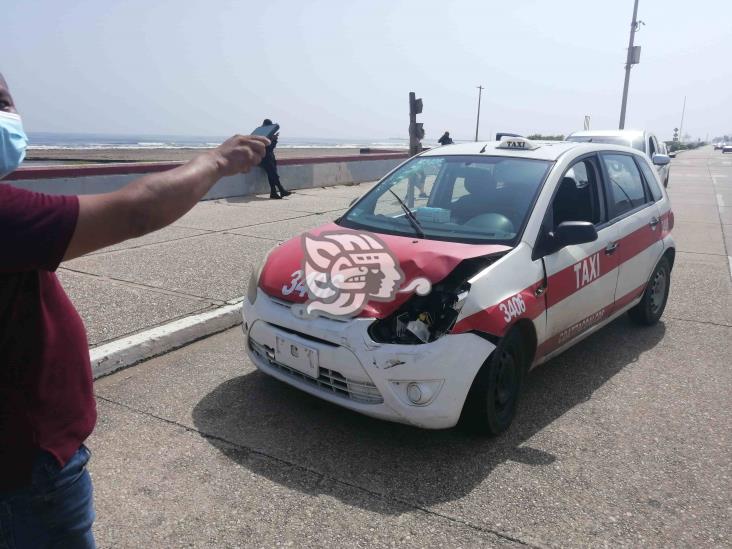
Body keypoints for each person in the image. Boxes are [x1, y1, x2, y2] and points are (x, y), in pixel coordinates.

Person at [0, 72, 270, 548]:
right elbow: (135, 210)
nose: (12, 115)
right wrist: (217, 160)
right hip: (27, 469)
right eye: (3, 101)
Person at [258, 118, 290, 199]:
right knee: (274, 175)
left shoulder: (261, 133)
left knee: (271, 175)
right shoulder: (265, 135)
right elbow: (269, 148)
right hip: (266, 159)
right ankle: (281, 190)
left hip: (268, 159)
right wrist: (274, 140)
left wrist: (272, 139)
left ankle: (274, 193)